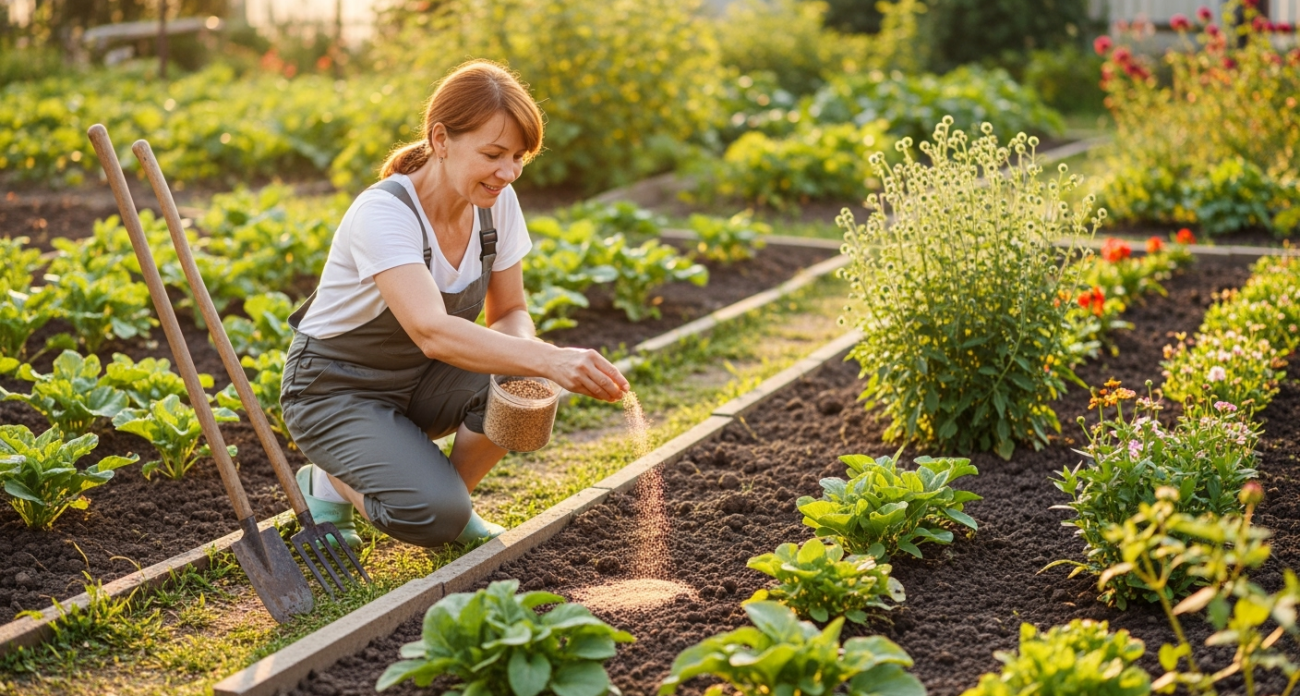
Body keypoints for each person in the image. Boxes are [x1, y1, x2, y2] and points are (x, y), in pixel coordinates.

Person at [281, 60, 629, 550]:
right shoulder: (384, 213)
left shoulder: (495, 203)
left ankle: (448, 503)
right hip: (337, 389)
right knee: (430, 513)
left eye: (519, 158)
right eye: (493, 154)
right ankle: (333, 481)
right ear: (441, 140)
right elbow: (432, 331)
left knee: (519, 396)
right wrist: (551, 359)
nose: (507, 173)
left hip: (421, 380)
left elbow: (509, 310)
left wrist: (526, 369)